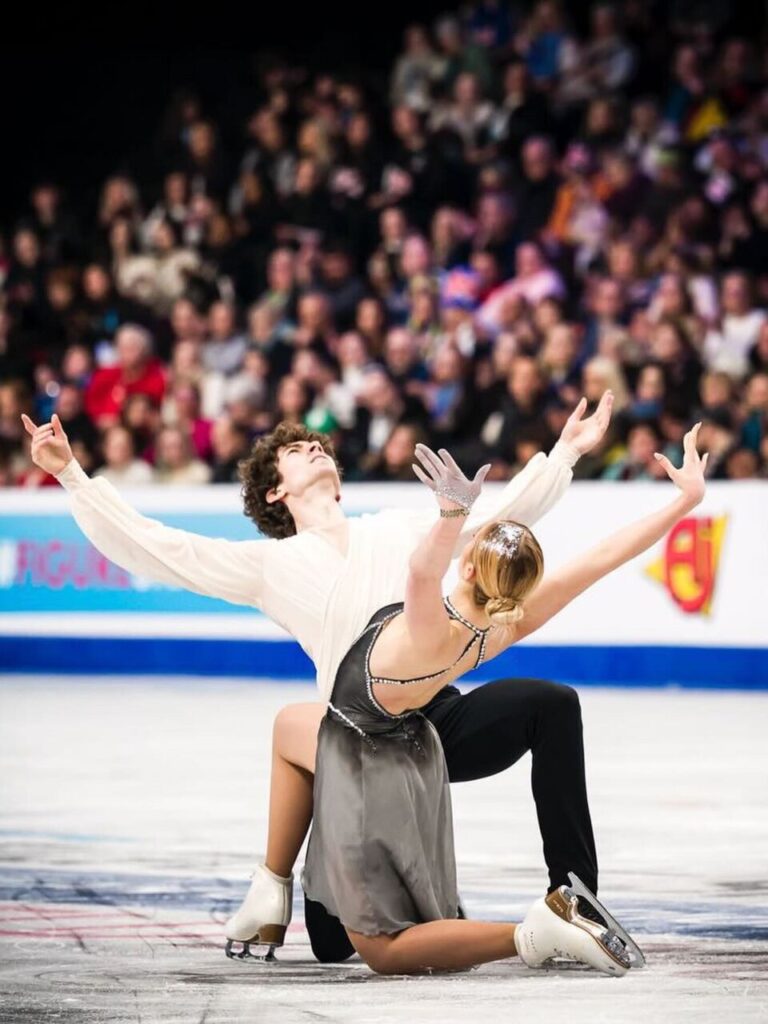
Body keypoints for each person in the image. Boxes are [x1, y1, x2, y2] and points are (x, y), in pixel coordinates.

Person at [21, 392, 612, 964]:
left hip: (437, 723)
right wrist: (72, 473)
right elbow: (159, 547)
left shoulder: (395, 528)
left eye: (317, 445)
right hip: (356, 746)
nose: (314, 449)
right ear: (275, 490)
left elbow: (497, 524)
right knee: (333, 944)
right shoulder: (268, 565)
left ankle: (576, 899)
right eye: (297, 450)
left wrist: (564, 454)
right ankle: (302, 887)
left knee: (551, 704)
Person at [295, 428, 706, 974]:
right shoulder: (503, 625)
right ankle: (560, 898)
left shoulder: (429, 627)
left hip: (371, 762)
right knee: (333, 939)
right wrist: (686, 500)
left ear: (466, 565)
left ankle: (562, 911)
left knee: (369, 945)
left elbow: (420, 572)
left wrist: (452, 517)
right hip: (416, 744)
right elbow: (603, 556)